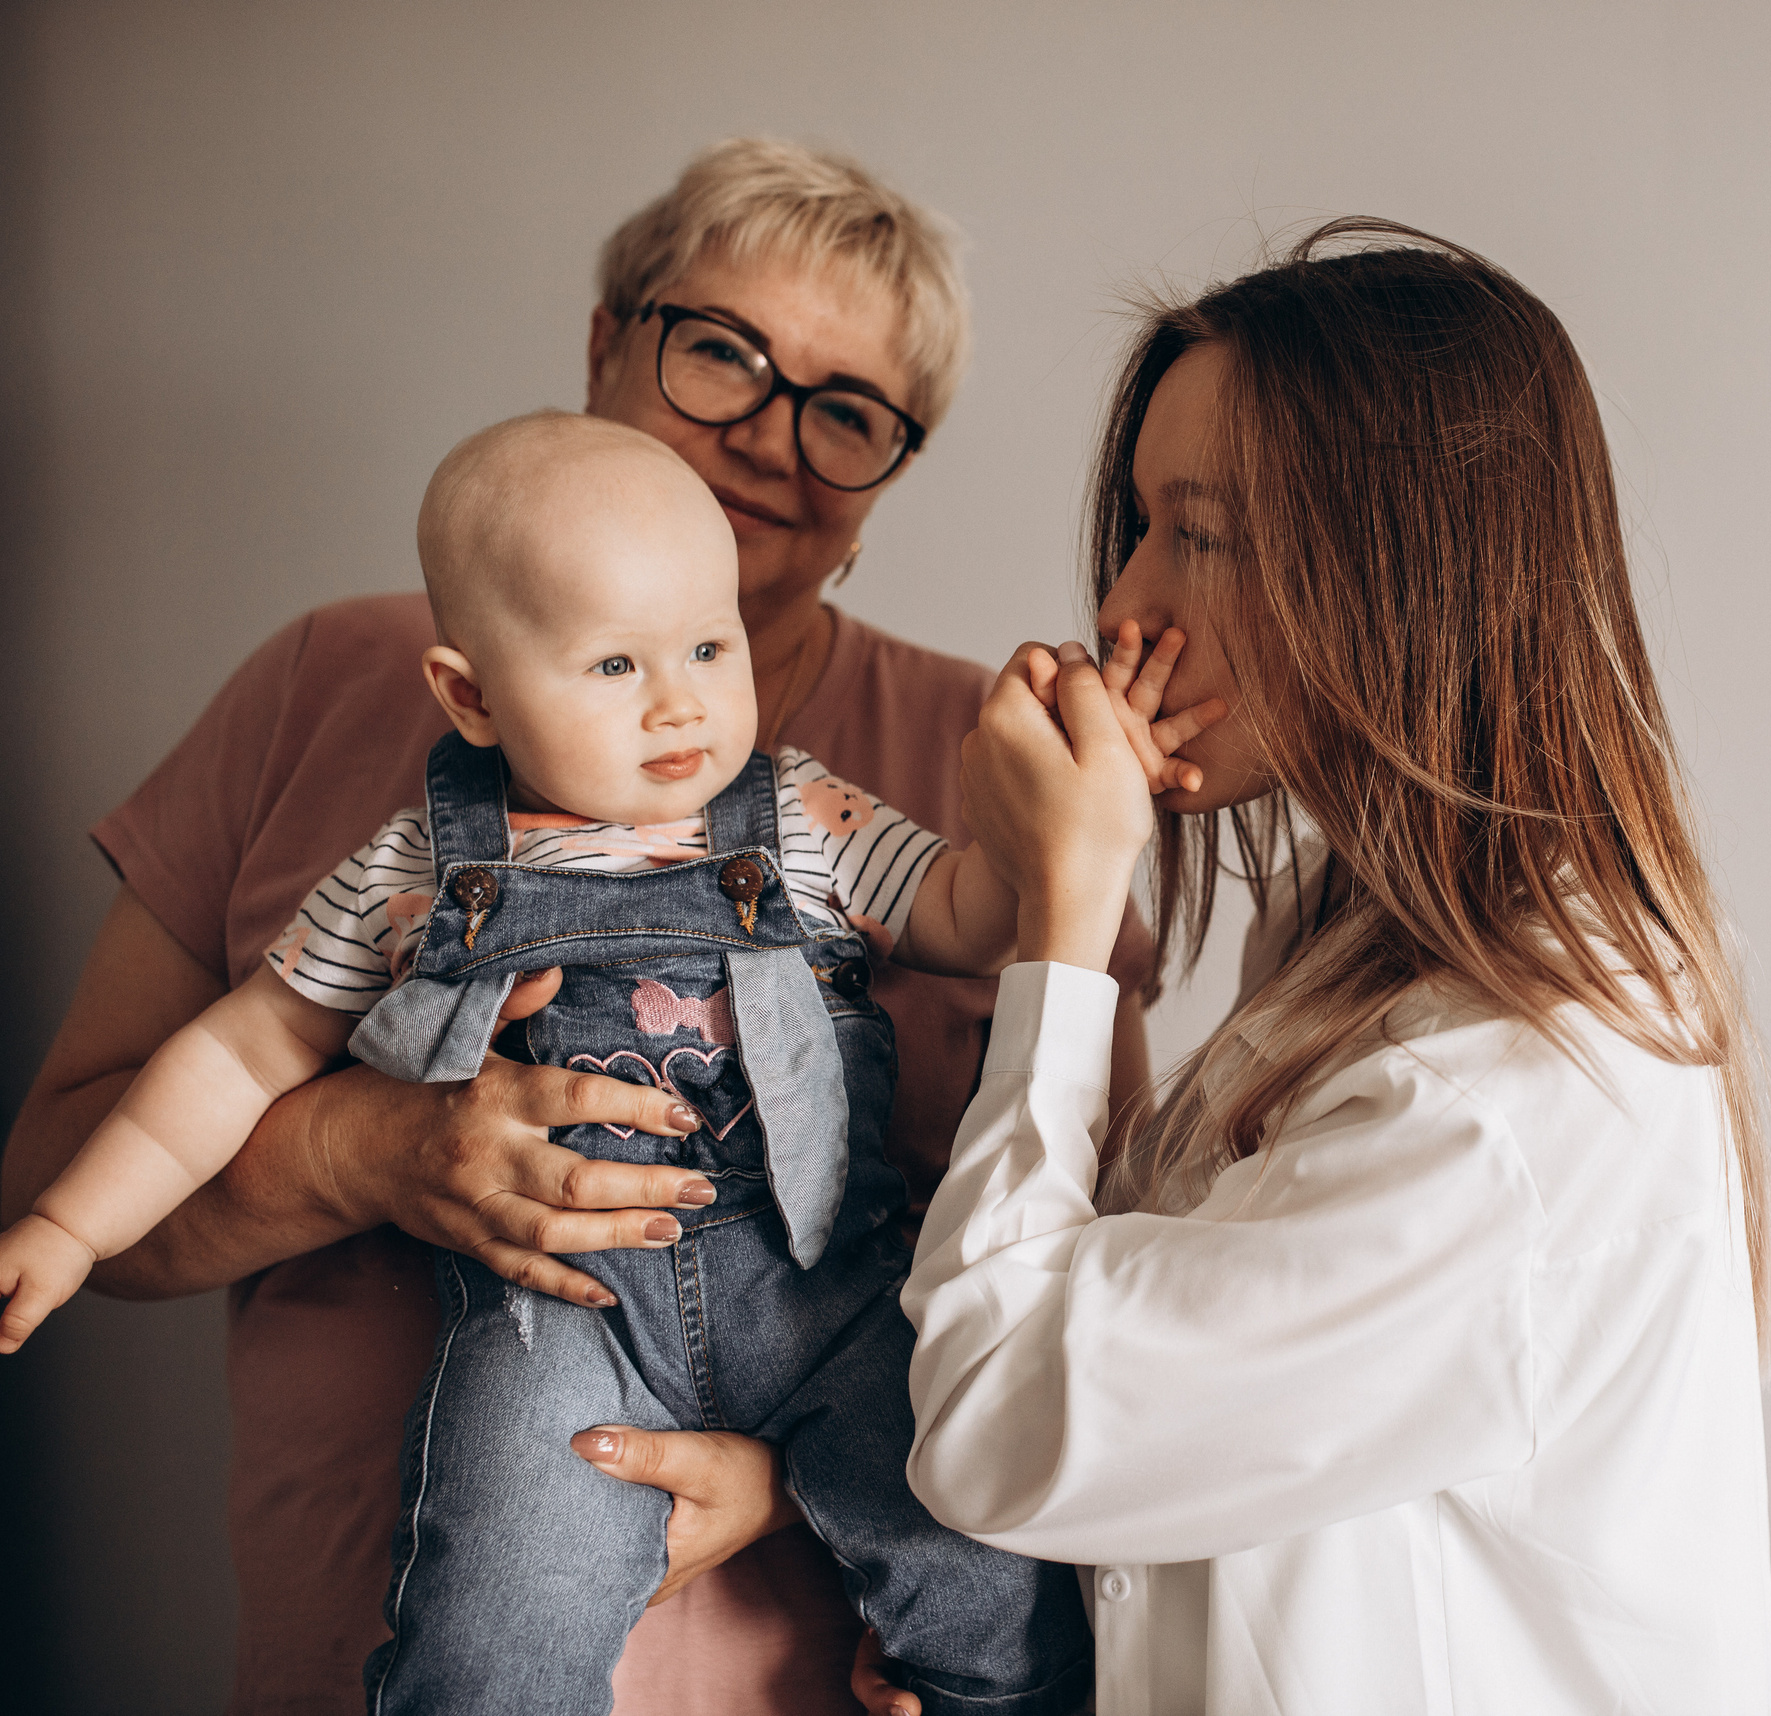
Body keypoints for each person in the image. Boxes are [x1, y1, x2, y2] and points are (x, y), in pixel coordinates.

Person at [0, 140, 1153, 1712]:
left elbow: (1094, 1250)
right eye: (721, 354)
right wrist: (366, 1148)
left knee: (1011, 1631)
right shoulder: (364, 772)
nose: (770, 440)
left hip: (814, 1506)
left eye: (849, 411)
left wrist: (1074, 813)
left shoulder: (871, 792)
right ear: (608, 340)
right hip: (506, 1413)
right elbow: (173, 1094)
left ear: (890, 477)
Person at [905, 223, 1771, 1711]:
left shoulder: (1507, 1086)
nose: (1123, 607)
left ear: (1406, 574)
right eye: (1141, 526)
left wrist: (1067, 914)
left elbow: (1001, 1422)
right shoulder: (1339, 928)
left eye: (1204, 534)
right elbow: (1208, 1433)